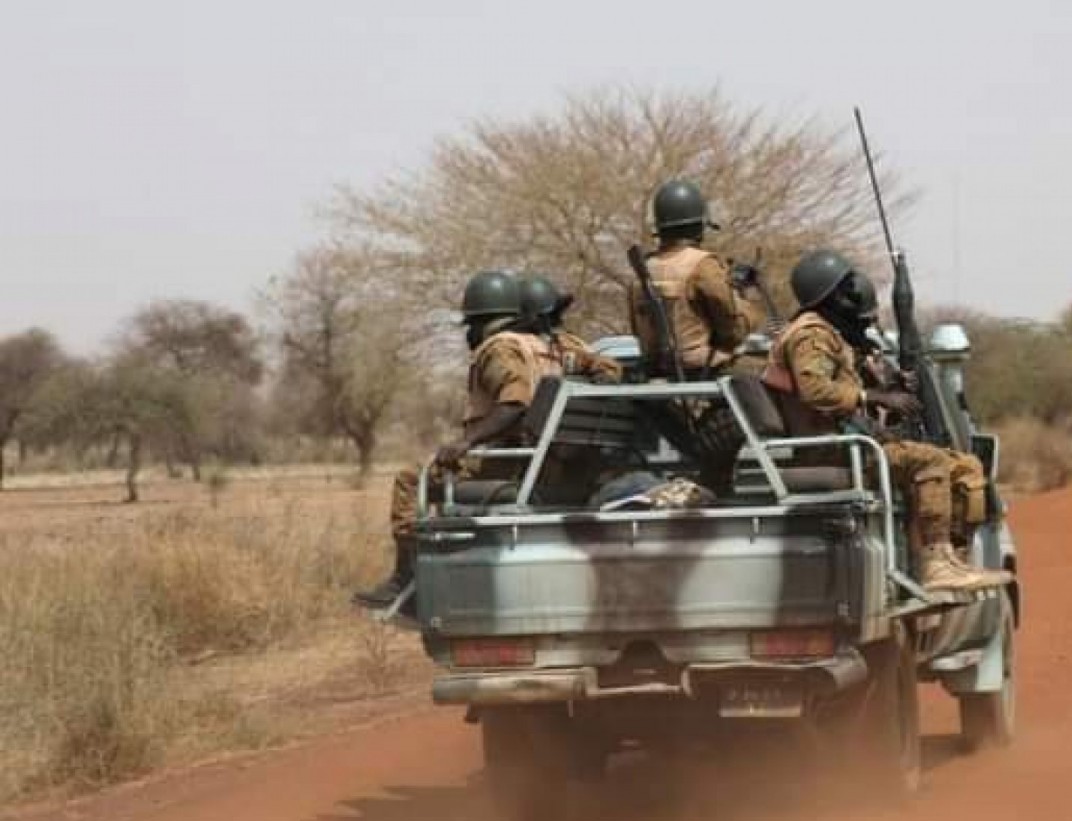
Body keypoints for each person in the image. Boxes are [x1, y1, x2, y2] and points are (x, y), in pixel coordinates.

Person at [354, 271, 622, 610]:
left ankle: (408, 578)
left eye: (472, 324)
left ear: (485, 322)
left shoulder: (500, 348)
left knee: (411, 479)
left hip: (512, 465)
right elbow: (609, 368)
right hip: (553, 464)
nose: (469, 333)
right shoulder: (560, 347)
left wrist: (467, 442)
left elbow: (514, 404)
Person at [762, 249, 1002, 593]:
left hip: (852, 446)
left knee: (964, 467)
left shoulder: (831, 334)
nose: (854, 295)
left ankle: (952, 560)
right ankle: (935, 565)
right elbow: (814, 391)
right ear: (830, 296)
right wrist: (874, 397)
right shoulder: (810, 334)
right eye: (846, 289)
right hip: (835, 451)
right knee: (929, 461)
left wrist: (888, 385)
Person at [630, 179, 753, 379]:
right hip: (701, 367)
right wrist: (741, 300)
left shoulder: (641, 270)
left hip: (653, 369)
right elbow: (732, 333)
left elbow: (638, 330)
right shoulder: (703, 265)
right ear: (698, 227)